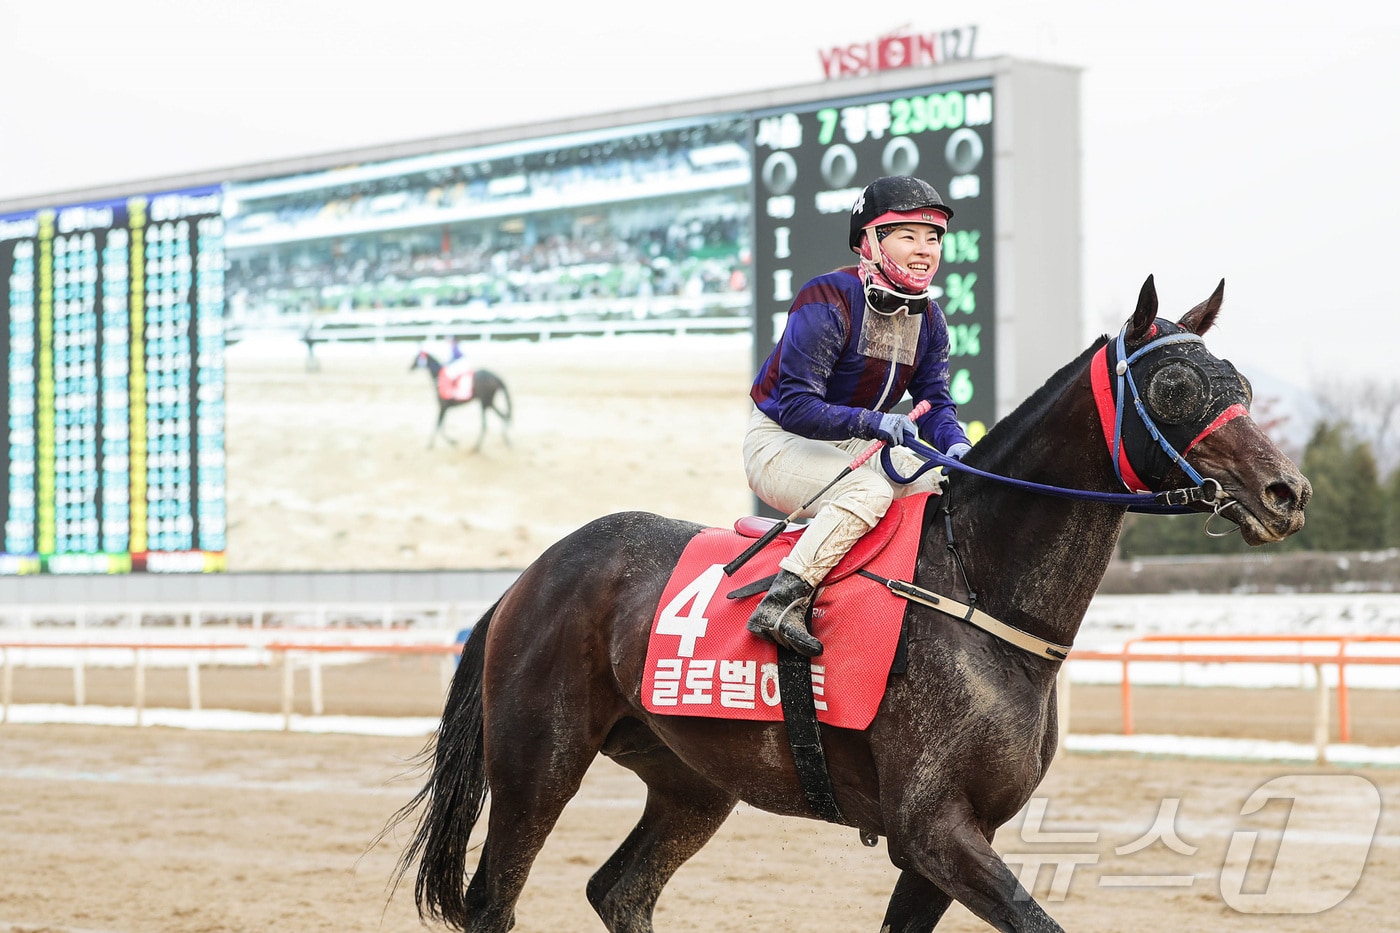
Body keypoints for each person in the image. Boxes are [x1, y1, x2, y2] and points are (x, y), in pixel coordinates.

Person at [743, 175, 973, 657]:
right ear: (868, 241)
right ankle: (782, 601)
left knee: (938, 484)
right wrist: (875, 423)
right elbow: (798, 407)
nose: (924, 250)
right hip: (779, 440)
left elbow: (936, 400)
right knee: (868, 491)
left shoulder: (929, 320)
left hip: (854, 443)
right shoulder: (826, 298)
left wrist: (956, 445)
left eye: (933, 238)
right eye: (908, 235)